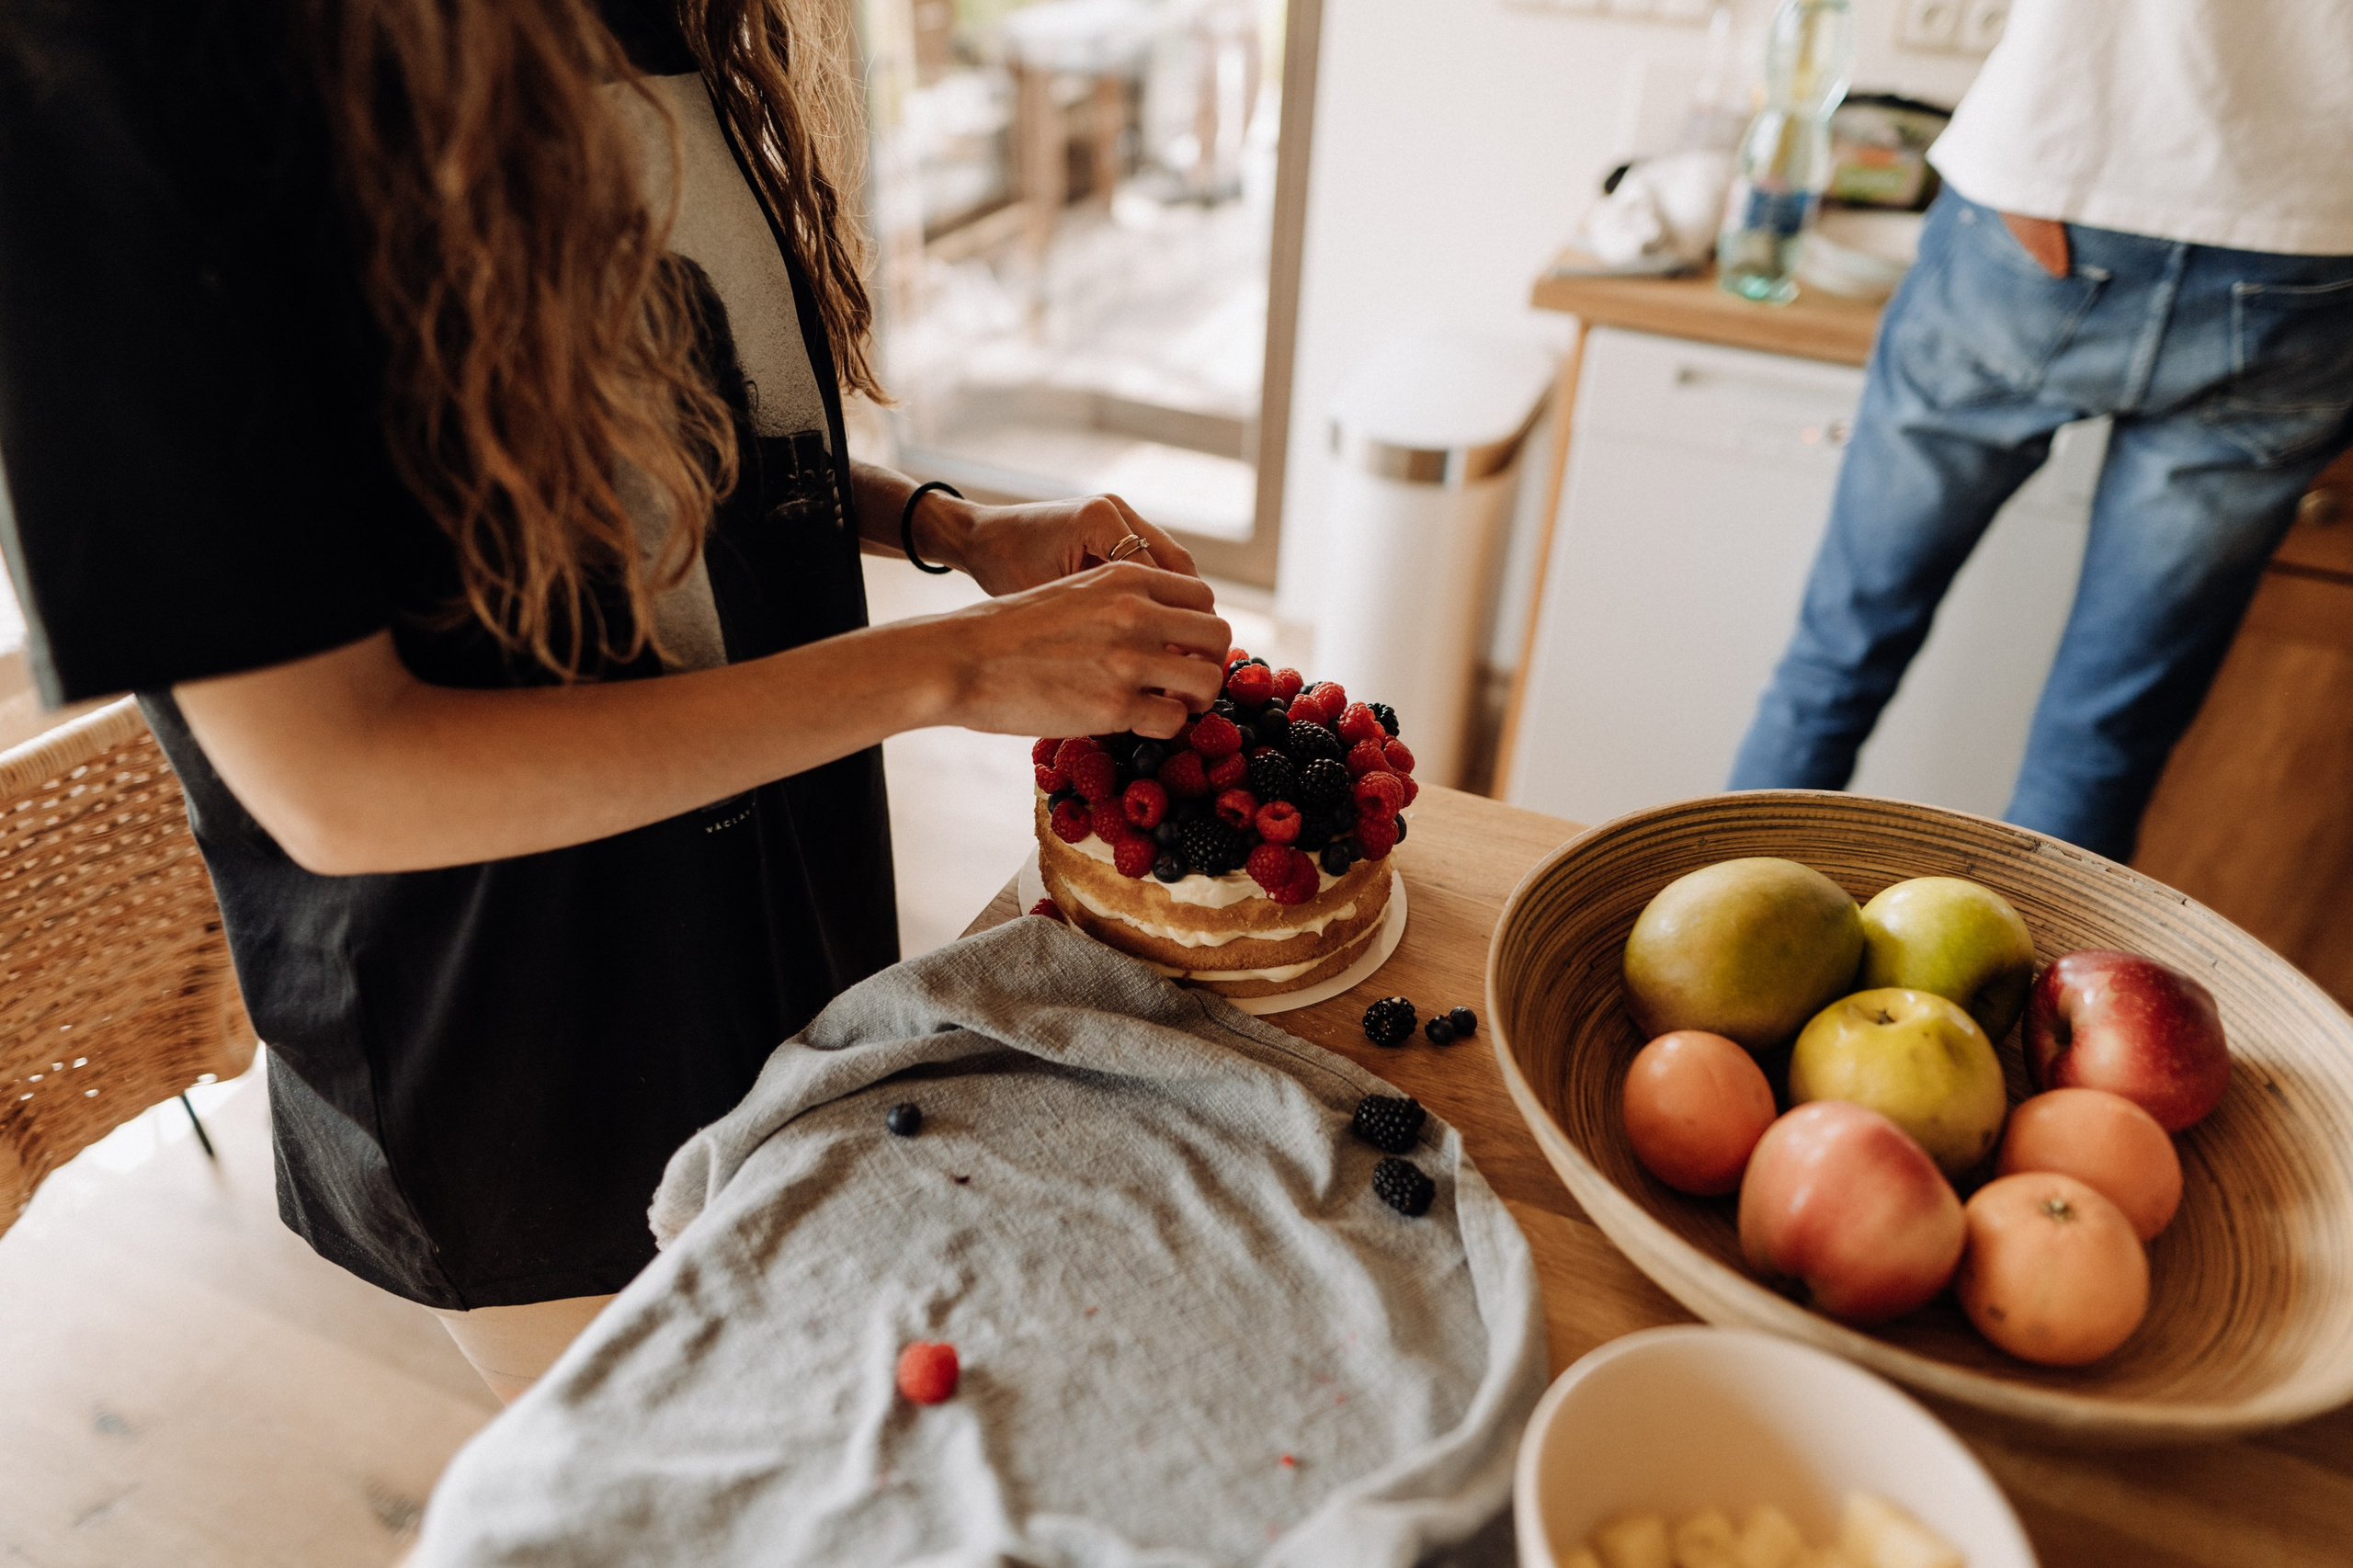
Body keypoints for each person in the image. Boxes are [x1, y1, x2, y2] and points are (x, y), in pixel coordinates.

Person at [0, 0, 1228, 1401]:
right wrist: (949, 668)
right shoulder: (109, 73)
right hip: (528, 1062)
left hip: (782, 945)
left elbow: (652, 428)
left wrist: (949, 526)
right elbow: (340, 776)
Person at [1728, 0, 2353, 862]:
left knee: (1838, 656)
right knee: (2106, 734)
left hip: (2053, 185)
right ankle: (2038, 1000)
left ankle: (1705, 943)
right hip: (2313, 241)